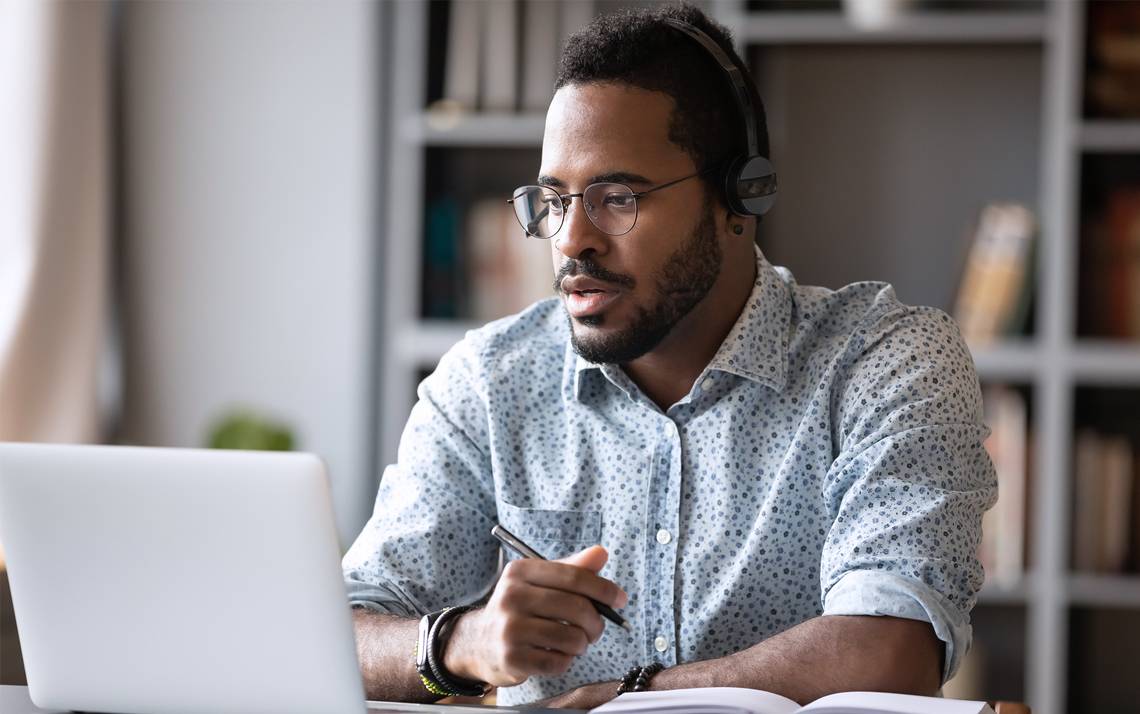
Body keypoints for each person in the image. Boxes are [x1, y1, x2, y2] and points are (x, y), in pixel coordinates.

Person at [342, 3, 997, 709]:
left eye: (617, 197)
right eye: (554, 200)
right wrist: (458, 643)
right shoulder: (491, 382)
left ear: (739, 197)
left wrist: (628, 698)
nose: (570, 240)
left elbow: (889, 650)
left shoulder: (885, 360)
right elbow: (339, 632)